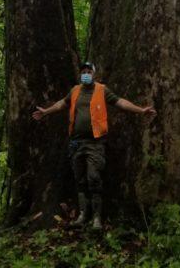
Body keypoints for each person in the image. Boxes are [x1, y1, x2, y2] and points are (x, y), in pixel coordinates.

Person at [32, 60, 156, 231]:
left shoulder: (102, 90)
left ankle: (97, 217)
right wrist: (46, 112)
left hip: (95, 143)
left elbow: (120, 102)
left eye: (89, 71)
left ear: (94, 74)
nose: (86, 74)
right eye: (83, 71)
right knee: (80, 180)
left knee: (94, 178)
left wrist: (140, 110)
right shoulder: (75, 91)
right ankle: (83, 215)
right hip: (76, 142)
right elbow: (62, 103)